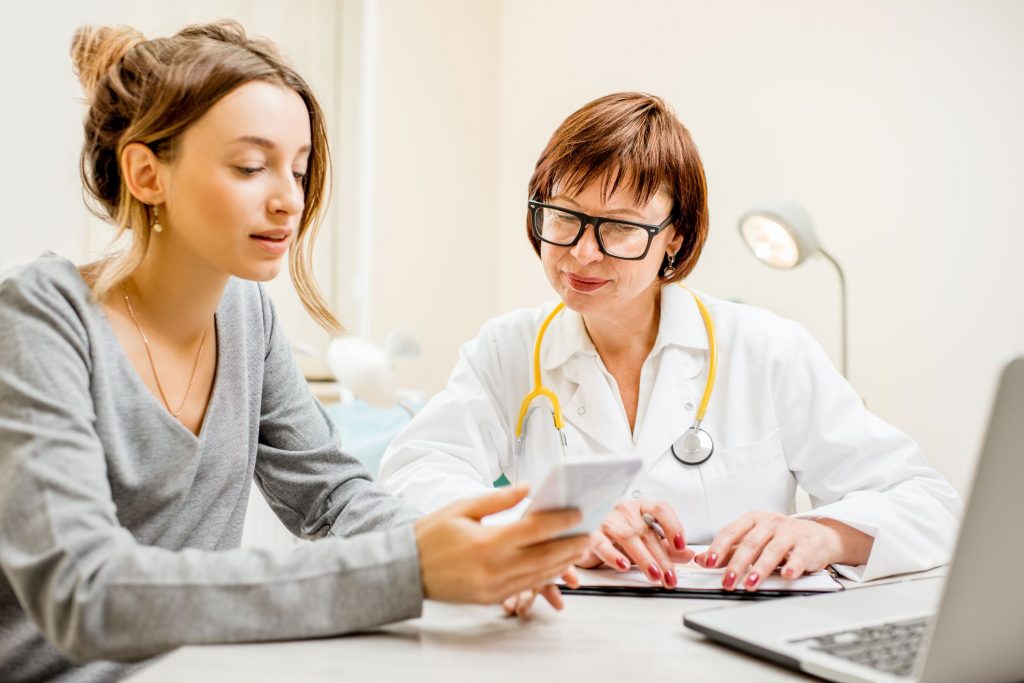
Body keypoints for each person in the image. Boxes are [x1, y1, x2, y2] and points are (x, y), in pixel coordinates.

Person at [0, 22, 590, 682]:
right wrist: (411, 567)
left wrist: (479, 544)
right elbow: (87, 590)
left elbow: (332, 496)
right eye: (251, 167)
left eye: (300, 168)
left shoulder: (248, 314)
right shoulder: (38, 316)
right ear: (146, 173)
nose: (288, 199)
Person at [378, 92, 962, 613]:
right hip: (561, 640)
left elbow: (928, 502)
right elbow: (413, 476)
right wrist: (548, 526)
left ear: (675, 237)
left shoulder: (766, 349)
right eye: (563, 217)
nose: (582, 254)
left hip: (729, 641)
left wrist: (827, 534)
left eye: (620, 228)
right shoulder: (507, 349)